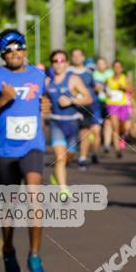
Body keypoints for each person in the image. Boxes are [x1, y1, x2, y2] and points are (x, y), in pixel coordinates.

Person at [0, 30, 50, 272]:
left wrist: (46, 106)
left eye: (19, 48)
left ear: (26, 50)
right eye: (9, 50)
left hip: (33, 146)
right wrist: (2, 101)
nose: (15, 53)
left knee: (34, 197)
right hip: (5, 150)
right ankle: (8, 248)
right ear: (3, 55)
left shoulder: (39, 75)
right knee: (9, 207)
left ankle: (35, 254)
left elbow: (45, 101)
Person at [46, 49, 91, 194]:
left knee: (69, 155)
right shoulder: (47, 82)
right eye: (55, 61)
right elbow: (41, 99)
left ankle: (56, 176)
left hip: (72, 123)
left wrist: (71, 100)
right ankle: (63, 189)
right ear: (52, 64)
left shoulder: (73, 79)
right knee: (60, 157)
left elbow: (88, 98)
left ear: (67, 63)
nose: (58, 64)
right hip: (56, 122)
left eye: (61, 61)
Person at [69, 49, 102, 170]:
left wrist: (98, 89)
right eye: (74, 55)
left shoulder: (89, 73)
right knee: (72, 135)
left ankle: (83, 157)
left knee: (85, 132)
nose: (77, 58)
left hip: (87, 107)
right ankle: (69, 154)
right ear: (72, 58)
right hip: (71, 107)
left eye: (79, 55)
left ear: (83, 58)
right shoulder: (68, 72)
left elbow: (95, 88)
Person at [104, 61, 132, 158]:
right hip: (112, 105)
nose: (117, 69)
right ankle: (117, 149)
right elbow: (106, 91)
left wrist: (124, 88)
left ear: (121, 68)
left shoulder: (125, 78)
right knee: (115, 127)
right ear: (113, 68)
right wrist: (107, 93)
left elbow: (131, 90)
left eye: (119, 67)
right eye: (115, 67)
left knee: (122, 127)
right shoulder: (109, 79)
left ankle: (123, 135)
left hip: (123, 105)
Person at [93, 58, 114, 154]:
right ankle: (95, 150)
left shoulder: (111, 73)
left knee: (108, 123)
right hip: (97, 102)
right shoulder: (94, 74)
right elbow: (95, 87)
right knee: (96, 125)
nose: (101, 65)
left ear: (106, 65)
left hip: (109, 102)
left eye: (102, 63)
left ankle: (106, 144)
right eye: (99, 64)